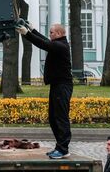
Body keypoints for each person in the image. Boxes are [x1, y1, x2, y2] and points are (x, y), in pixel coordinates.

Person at [16, 21, 72, 159]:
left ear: (59, 33)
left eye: (51, 32)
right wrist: (32, 29)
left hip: (62, 86)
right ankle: (60, 147)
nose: (50, 34)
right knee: (53, 118)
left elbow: (44, 44)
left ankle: (63, 149)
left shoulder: (61, 46)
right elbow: (46, 41)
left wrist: (27, 34)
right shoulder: (58, 43)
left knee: (60, 118)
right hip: (57, 85)